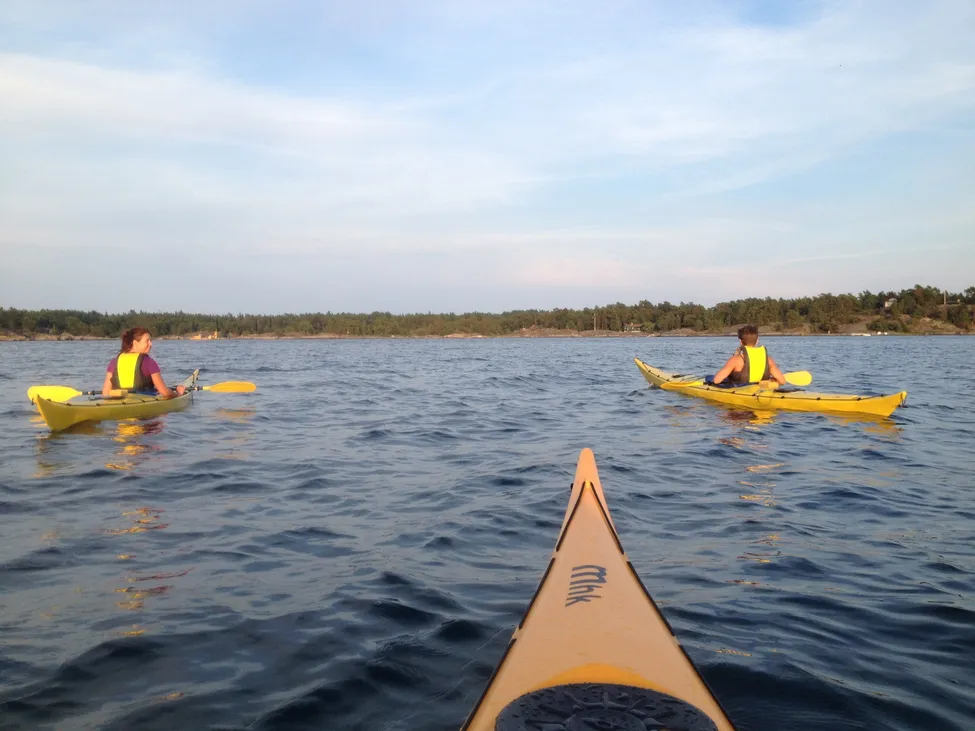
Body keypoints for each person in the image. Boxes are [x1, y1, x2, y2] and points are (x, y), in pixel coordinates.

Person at [102, 327, 186, 398]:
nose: (151, 344)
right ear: (135, 343)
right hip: (144, 408)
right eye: (147, 341)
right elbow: (165, 392)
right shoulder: (149, 362)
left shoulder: (114, 362)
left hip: (119, 404)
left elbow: (105, 393)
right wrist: (178, 394)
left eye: (151, 341)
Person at [711, 325, 786, 386]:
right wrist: (771, 380)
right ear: (757, 341)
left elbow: (717, 380)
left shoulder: (736, 360)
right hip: (760, 390)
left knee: (709, 378)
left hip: (740, 391)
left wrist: (734, 356)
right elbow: (782, 381)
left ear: (740, 342)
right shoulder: (768, 360)